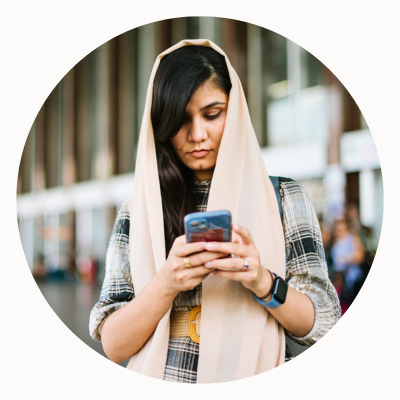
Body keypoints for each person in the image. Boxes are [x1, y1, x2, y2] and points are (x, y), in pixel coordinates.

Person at [89, 39, 341, 383]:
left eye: (212, 114)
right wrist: (167, 281)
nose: (197, 135)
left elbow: (324, 324)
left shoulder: (283, 197)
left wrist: (262, 280)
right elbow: (114, 346)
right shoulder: (139, 209)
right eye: (180, 119)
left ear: (235, 110)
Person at [331, 217, 365, 312]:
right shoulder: (336, 242)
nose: (338, 232)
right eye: (337, 229)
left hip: (352, 280)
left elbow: (360, 256)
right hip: (340, 280)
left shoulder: (352, 239)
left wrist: (346, 259)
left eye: (341, 229)